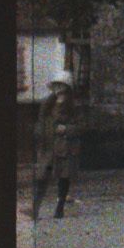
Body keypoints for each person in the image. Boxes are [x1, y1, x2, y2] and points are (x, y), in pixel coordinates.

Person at [33, 71, 81, 221]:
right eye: (56, 84)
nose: (57, 88)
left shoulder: (74, 105)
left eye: (60, 85)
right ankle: (35, 209)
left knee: (63, 178)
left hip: (66, 147)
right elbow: (42, 123)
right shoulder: (48, 103)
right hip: (49, 146)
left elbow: (81, 126)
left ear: (67, 87)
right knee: (42, 177)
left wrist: (67, 129)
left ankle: (60, 208)